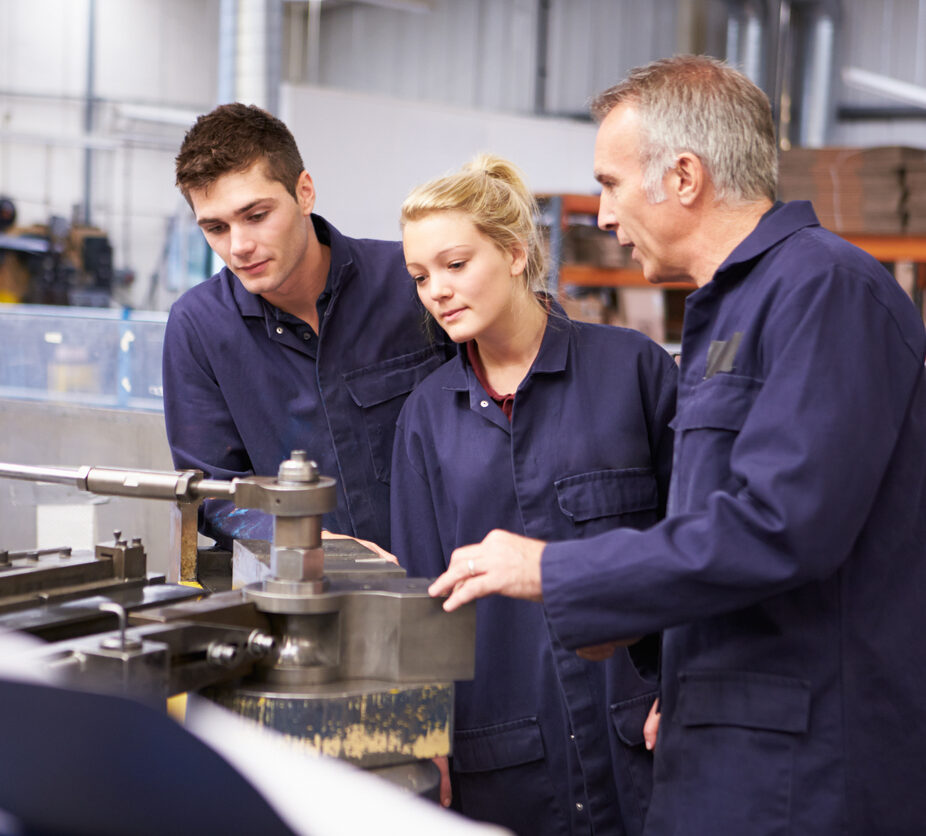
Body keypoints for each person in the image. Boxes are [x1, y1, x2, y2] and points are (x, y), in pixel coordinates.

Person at [428, 55, 926, 835]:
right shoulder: (730, 309)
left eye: (612, 184)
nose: (601, 214)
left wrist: (554, 567)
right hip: (720, 745)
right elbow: (714, 533)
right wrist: (647, 644)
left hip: (805, 770)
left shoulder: (825, 291)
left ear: (684, 177)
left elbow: (781, 527)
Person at [391, 154, 677, 835]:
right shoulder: (426, 418)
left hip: (644, 736)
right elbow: (421, 601)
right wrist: (425, 742)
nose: (437, 290)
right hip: (506, 755)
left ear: (515, 252)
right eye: (421, 276)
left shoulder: (631, 370)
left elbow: (697, 542)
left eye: (455, 264)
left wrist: (683, 682)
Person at [162, 103, 449, 551]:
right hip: (300, 595)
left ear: (305, 192)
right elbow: (212, 496)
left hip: (446, 579)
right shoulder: (198, 327)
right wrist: (313, 546)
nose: (239, 247)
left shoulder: (411, 282)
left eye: (256, 216)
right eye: (216, 227)